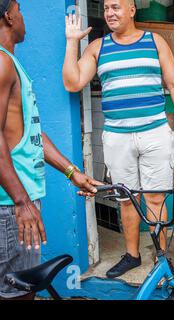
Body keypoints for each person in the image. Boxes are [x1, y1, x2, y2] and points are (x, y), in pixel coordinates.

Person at [63, 0, 174, 279]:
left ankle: (161, 261)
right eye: (106, 8)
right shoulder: (97, 47)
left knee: (156, 198)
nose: (109, 13)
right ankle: (132, 255)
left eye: (116, 7)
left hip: (155, 132)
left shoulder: (154, 41)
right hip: (117, 137)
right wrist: (72, 42)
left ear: (132, 10)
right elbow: (73, 82)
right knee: (126, 199)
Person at [0, 0, 101, 300]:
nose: (22, 17)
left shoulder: (11, 62)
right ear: (7, 16)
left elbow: (32, 134)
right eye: (19, 9)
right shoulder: (2, 63)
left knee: (23, 291)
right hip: (11, 207)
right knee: (15, 293)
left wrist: (73, 173)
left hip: (20, 203)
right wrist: (21, 202)